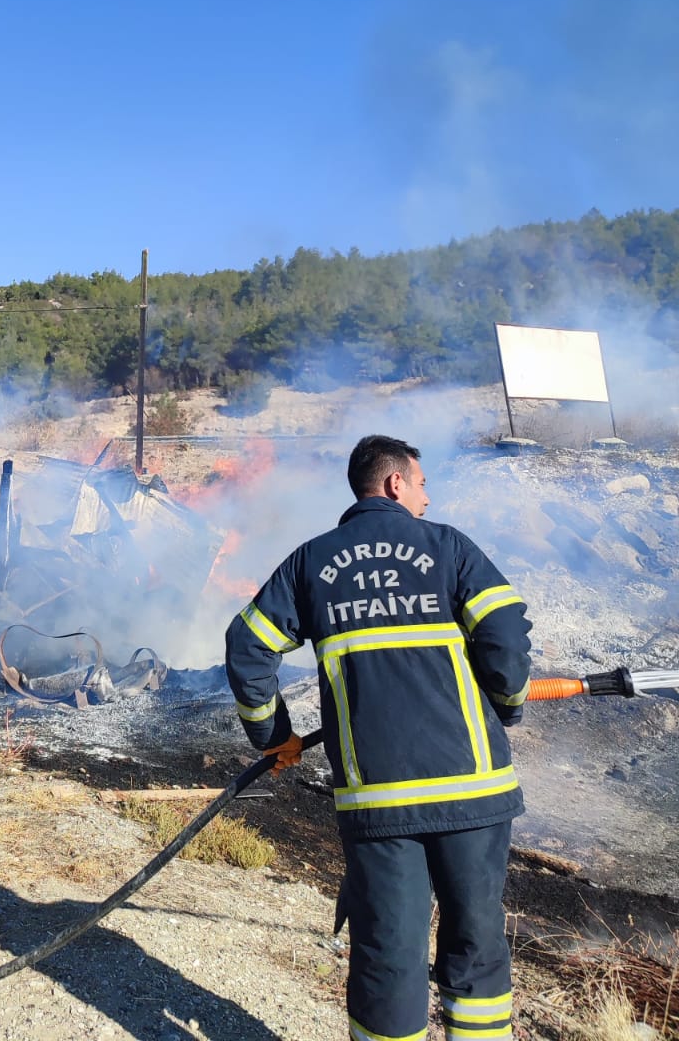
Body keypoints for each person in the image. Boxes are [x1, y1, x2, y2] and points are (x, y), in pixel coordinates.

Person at [226, 434, 532, 1041]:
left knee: (388, 953)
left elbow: (247, 647)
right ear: (395, 483)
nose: (426, 496)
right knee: (476, 945)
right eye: (421, 484)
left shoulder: (311, 562)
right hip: (472, 791)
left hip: (379, 801)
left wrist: (275, 735)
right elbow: (504, 637)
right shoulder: (447, 546)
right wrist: (510, 704)